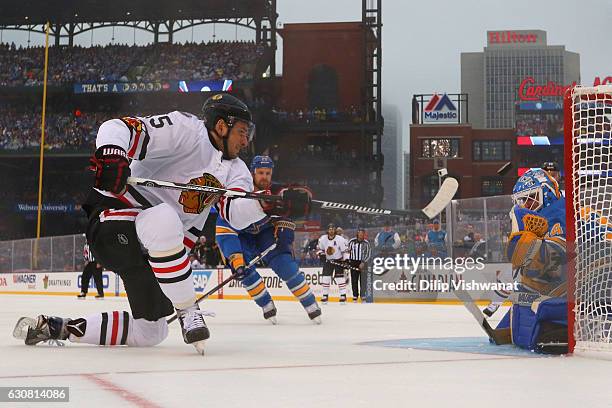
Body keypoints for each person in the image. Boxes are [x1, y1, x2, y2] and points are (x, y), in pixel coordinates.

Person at [16, 93, 303, 355]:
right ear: (221, 126)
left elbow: (236, 213)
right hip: (113, 220)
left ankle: (57, 327)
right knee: (165, 217)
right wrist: (113, 155)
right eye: (242, 132)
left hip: (155, 254)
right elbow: (116, 127)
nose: (246, 140)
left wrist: (268, 204)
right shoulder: (184, 130)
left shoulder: (237, 170)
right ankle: (188, 309)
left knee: (151, 331)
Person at [215, 155, 320, 324]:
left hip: (266, 233)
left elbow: (292, 205)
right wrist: (235, 257)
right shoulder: (238, 192)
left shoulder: (277, 192)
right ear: (252, 173)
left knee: (285, 264)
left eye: (268, 173)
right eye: (260, 172)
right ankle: (265, 303)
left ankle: (310, 303)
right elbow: (224, 228)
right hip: (241, 236)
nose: (264, 176)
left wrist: (285, 227)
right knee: (243, 270)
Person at [489, 168, 568, 353]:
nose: (524, 205)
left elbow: (557, 259)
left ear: (546, 194)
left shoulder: (561, 215)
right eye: (521, 201)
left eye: (529, 198)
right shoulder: (547, 215)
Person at [317, 224, 349, 304]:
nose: (331, 231)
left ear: (335, 230)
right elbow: (320, 249)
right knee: (325, 278)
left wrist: (346, 260)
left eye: (332, 229)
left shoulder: (340, 239)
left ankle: (343, 295)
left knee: (340, 278)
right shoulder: (323, 239)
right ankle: (325, 295)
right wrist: (321, 254)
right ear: (327, 230)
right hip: (328, 261)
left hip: (338, 260)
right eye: (330, 229)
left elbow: (345, 251)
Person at [347, 228, 371, 302]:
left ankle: (363, 296)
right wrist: (348, 261)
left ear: (364, 234)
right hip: (353, 262)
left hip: (363, 263)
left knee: (363, 280)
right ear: (357, 234)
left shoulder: (366, 243)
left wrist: (363, 262)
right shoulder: (351, 241)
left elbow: (368, 253)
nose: (361, 235)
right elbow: (348, 251)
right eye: (360, 233)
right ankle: (355, 296)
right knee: (354, 280)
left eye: (362, 233)